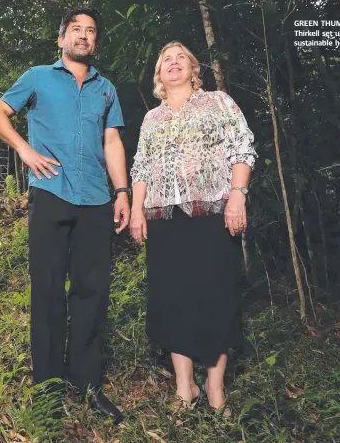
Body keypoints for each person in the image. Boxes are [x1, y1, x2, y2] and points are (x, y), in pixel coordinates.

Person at [0, 7, 129, 422]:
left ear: (95, 42)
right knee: (48, 291)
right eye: (76, 30)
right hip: (51, 193)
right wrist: (25, 150)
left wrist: (121, 192)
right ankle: (47, 393)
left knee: (91, 293)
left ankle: (86, 385)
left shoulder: (107, 88)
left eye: (90, 31)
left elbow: (113, 141)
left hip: (96, 199)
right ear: (61, 39)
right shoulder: (37, 77)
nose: (83, 36)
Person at [129, 41, 257, 416]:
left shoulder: (219, 102)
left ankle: (215, 385)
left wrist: (237, 196)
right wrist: (137, 211)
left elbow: (243, 148)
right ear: (158, 75)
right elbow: (140, 167)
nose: (173, 62)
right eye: (166, 59)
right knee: (172, 299)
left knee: (216, 294)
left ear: (193, 69)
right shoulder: (152, 119)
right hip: (163, 219)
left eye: (180, 57)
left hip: (212, 214)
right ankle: (185, 386)